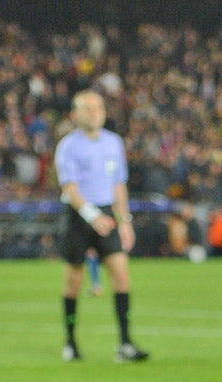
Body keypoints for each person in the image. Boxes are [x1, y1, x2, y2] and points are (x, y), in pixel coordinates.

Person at [54, 89, 149, 363]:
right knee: (74, 281)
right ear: (75, 114)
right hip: (79, 215)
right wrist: (91, 215)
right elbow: (69, 186)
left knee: (121, 276)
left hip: (107, 213)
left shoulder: (113, 142)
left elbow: (118, 184)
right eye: (88, 108)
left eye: (98, 108)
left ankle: (125, 343)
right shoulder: (68, 146)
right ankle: (71, 342)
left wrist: (125, 221)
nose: (95, 113)